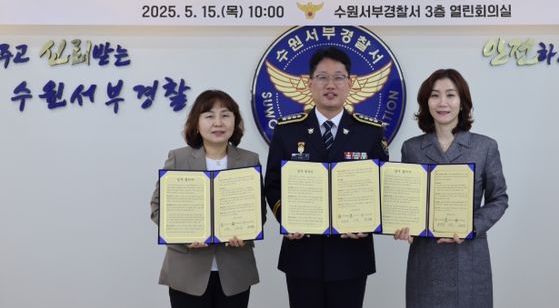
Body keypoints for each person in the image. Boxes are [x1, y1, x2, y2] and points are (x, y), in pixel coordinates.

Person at [264, 46, 389, 308]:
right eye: (322, 77)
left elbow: (383, 186)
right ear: (310, 83)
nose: (330, 85)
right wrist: (286, 217)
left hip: (351, 254)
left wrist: (368, 221)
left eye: (338, 77)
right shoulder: (287, 130)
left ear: (350, 83)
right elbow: (273, 183)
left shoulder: (370, 131)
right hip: (302, 253)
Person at [394, 69, 508, 308]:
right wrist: (402, 224)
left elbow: (499, 198)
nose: (442, 102)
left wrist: (470, 226)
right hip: (426, 258)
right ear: (426, 102)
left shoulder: (485, 147)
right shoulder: (411, 148)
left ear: (462, 102)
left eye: (450, 95)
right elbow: (407, 201)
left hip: (468, 257)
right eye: (435, 95)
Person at [150, 90, 261, 308]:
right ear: (196, 123)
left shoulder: (249, 160)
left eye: (225, 115)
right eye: (209, 116)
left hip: (235, 272)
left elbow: (258, 211)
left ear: (235, 121)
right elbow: (158, 207)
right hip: (186, 271)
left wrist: (247, 233)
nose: (218, 123)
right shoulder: (178, 158)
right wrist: (183, 235)